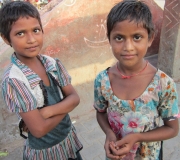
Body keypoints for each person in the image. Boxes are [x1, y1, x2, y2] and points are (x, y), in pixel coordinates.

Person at [94, 0, 179, 160]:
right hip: (116, 155)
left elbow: (172, 129)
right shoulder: (102, 80)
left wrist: (138, 137)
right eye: (119, 38)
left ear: (150, 38)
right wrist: (109, 133)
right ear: (109, 39)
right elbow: (100, 113)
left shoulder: (163, 83)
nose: (128, 46)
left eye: (137, 37)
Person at [0, 1, 83, 159]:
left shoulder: (51, 63)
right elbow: (38, 129)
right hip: (45, 153)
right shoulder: (15, 79)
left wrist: (46, 112)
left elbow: (75, 98)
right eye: (20, 33)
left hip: (67, 141)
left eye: (36, 30)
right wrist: (65, 107)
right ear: (5, 38)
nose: (31, 39)